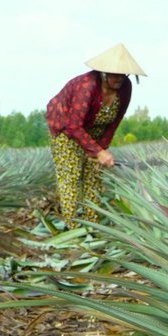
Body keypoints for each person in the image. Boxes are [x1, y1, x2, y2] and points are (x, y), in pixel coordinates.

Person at [45, 43, 146, 226]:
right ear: (103, 72)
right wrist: (98, 152)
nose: (119, 78)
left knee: (94, 176)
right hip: (65, 129)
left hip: (95, 129)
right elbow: (74, 125)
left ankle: (93, 225)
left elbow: (114, 122)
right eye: (115, 74)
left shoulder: (125, 88)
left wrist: (103, 149)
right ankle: (73, 229)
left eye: (123, 74)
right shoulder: (87, 85)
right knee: (72, 176)